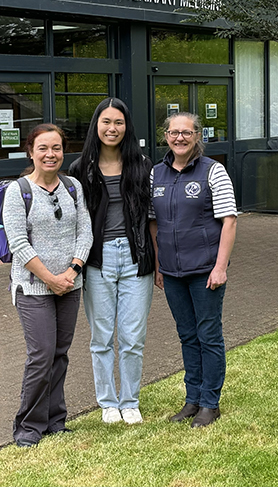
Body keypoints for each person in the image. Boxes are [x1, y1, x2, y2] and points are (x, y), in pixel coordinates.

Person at [3, 123, 93, 448]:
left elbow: (85, 230)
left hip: (70, 284)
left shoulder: (72, 187)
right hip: (33, 288)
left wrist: (72, 270)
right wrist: (51, 279)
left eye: (56, 148)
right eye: (43, 148)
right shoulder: (18, 191)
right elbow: (18, 243)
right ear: (31, 151)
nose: (50, 154)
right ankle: (28, 427)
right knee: (40, 355)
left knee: (60, 354)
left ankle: (56, 420)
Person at [69, 97, 155, 426]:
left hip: (136, 258)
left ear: (126, 127)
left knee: (132, 337)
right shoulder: (80, 169)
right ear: (96, 126)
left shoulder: (142, 165)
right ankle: (108, 402)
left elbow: (151, 218)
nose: (112, 128)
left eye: (118, 122)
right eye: (106, 122)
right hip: (97, 260)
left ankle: (130, 400)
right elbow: (77, 223)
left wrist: (157, 264)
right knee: (101, 338)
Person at [149, 112, 238, 428]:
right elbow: (154, 223)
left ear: (197, 136)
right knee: (187, 335)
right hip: (172, 272)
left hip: (205, 270)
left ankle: (210, 404)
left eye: (186, 132)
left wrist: (220, 267)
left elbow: (229, 220)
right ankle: (193, 399)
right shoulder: (156, 174)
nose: (179, 138)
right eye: (174, 132)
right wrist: (159, 265)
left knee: (208, 335)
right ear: (166, 135)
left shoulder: (214, 171)